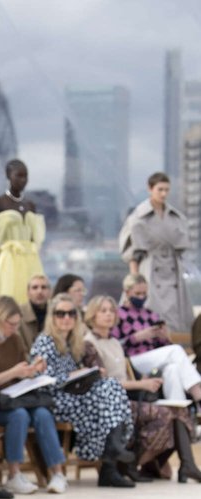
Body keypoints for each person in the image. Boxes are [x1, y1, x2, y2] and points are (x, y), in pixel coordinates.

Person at [83, 294, 200, 483]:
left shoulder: (114, 342)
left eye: (111, 310)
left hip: (129, 394)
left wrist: (143, 380)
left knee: (178, 410)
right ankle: (135, 463)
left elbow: (124, 376)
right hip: (109, 402)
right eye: (103, 311)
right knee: (168, 413)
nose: (109, 314)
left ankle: (184, 465)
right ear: (92, 315)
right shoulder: (89, 343)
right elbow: (102, 383)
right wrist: (140, 384)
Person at [30, 293, 135, 488]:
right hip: (54, 399)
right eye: (60, 313)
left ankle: (111, 457)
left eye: (71, 313)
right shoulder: (45, 341)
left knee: (111, 385)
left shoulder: (73, 342)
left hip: (73, 394)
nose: (66, 318)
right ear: (52, 317)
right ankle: (111, 458)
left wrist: (89, 374)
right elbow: (42, 380)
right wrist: (73, 375)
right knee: (108, 394)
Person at [0, 296, 67, 494]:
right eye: (11, 324)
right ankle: (14, 474)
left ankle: (57, 473)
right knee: (19, 416)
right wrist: (14, 372)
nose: (14, 329)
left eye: (17, 324)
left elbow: (22, 371)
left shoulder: (15, 339)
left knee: (43, 414)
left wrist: (33, 370)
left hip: (18, 397)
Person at [119, 172, 193, 334]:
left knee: (177, 319)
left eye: (167, 190)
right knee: (148, 313)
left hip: (173, 271)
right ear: (150, 189)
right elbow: (132, 254)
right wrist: (135, 280)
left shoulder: (176, 217)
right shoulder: (138, 218)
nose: (164, 194)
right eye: (160, 189)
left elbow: (182, 245)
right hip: (149, 270)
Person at [113, 273, 201, 405]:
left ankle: (177, 410)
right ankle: (198, 393)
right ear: (127, 292)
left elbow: (164, 348)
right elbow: (113, 344)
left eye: (144, 293)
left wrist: (163, 337)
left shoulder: (151, 315)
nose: (141, 297)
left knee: (172, 369)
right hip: (131, 361)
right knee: (175, 350)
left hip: (153, 361)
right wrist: (136, 338)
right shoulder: (118, 314)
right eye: (137, 293)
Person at [0, 159, 46, 311]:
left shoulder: (30, 205)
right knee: (7, 305)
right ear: (9, 176)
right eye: (18, 176)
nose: (23, 180)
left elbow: (34, 238)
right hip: (7, 263)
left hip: (30, 261)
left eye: (25, 176)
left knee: (34, 302)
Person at [18, 274, 51, 353]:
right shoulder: (18, 314)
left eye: (44, 287)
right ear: (28, 293)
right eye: (35, 287)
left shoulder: (58, 313)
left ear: (50, 292)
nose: (39, 291)